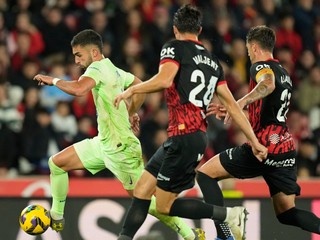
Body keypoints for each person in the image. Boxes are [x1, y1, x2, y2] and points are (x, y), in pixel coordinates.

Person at [33, 29, 207, 240]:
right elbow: (140, 86)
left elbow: (79, 90)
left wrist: (53, 80)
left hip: (121, 149)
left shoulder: (96, 69)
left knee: (147, 202)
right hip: (104, 143)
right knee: (57, 163)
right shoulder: (113, 69)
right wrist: (131, 112)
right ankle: (56, 216)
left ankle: (191, 235)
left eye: (79, 55)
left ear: (94, 53)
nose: (76, 60)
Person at [114, 5, 267, 240]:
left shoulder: (174, 48)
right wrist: (254, 140)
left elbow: (165, 80)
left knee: (164, 206)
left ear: (175, 29)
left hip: (184, 136)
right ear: (199, 30)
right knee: (142, 190)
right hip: (190, 137)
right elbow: (233, 107)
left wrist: (131, 90)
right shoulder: (213, 62)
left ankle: (228, 215)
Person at [197, 25, 320, 238]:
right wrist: (234, 107)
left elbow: (268, 85)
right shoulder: (285, 74)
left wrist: (242, 100)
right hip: (285, 147)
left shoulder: (261, 66)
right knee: (287, 213)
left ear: (254, 48)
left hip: (263, 145)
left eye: (247, 50)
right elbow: (268, 105)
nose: (248, 55)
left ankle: (224, 234)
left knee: (204, 174)